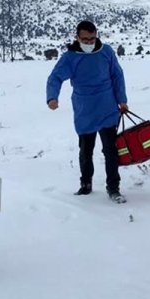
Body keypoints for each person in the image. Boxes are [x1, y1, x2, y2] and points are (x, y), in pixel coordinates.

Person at [46, 20, 130, 203]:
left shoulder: (106, 52)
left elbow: (117, 75)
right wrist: (52, 97)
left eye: (92, 39)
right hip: (85, 110)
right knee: (85, 150)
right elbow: (55, 77)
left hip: (107, 107)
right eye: (85, 39)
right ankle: (86, 184)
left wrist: (122, 100)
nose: (89, 43)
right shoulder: (70, 58)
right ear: (77, 37)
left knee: (110, 150)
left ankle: (113, 188)